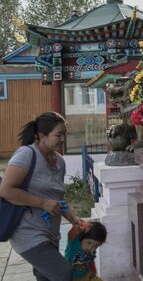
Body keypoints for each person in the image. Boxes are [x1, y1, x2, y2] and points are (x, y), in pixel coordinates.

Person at [0, 112, 82, 280]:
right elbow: (6, 190)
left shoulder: (60, 161)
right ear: (41, 136)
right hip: (27, 233)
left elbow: (58, 196)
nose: (62, 139)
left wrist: (73, 217)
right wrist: (42, 203)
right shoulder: (26, 155)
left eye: (64, 134)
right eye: (58, 135)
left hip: (51, 232)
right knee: (64, 273)